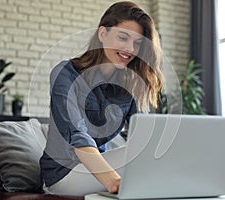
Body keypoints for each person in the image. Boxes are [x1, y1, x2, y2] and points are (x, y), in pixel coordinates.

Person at [40, 1, 163, 196]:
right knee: (149, 161)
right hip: (63, 174)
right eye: (123, 38)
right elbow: (77, 137)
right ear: (103, 34)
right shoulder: (65, 73)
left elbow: (144, 138)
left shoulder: (130, 84)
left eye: (137, 43)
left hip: (100, 167)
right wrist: (113, 181)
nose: (130, 49)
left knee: (156, 155)